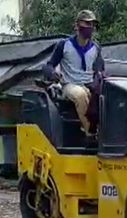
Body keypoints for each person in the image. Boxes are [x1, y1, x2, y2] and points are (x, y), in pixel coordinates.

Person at [42, 10, 105, 139]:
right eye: (87, 23)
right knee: (80, 95)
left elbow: (100, 70)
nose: (90, 27)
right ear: (77, 25)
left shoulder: (96, 48)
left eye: (92, 24)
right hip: (69, 85)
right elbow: (48, 66)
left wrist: (99, 79)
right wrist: (52, 73)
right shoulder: (64, 45)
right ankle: (91, 134)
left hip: (88, 85)